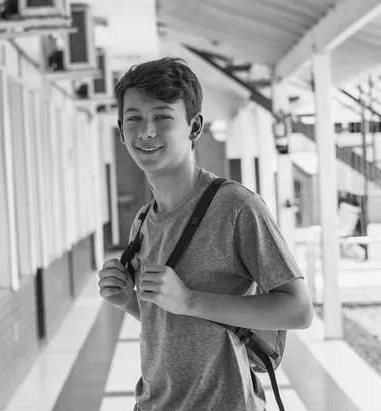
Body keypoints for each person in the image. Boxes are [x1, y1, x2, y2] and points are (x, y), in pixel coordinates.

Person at [97, 57, 313, 411]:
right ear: (121, 130)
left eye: (163, 117)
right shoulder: (142, 221)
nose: (146, 131)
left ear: (194, 126)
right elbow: (170, 322)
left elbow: (299, 310)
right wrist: (127, 300)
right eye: (134, 118)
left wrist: (190, 300)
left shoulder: (235, 206)